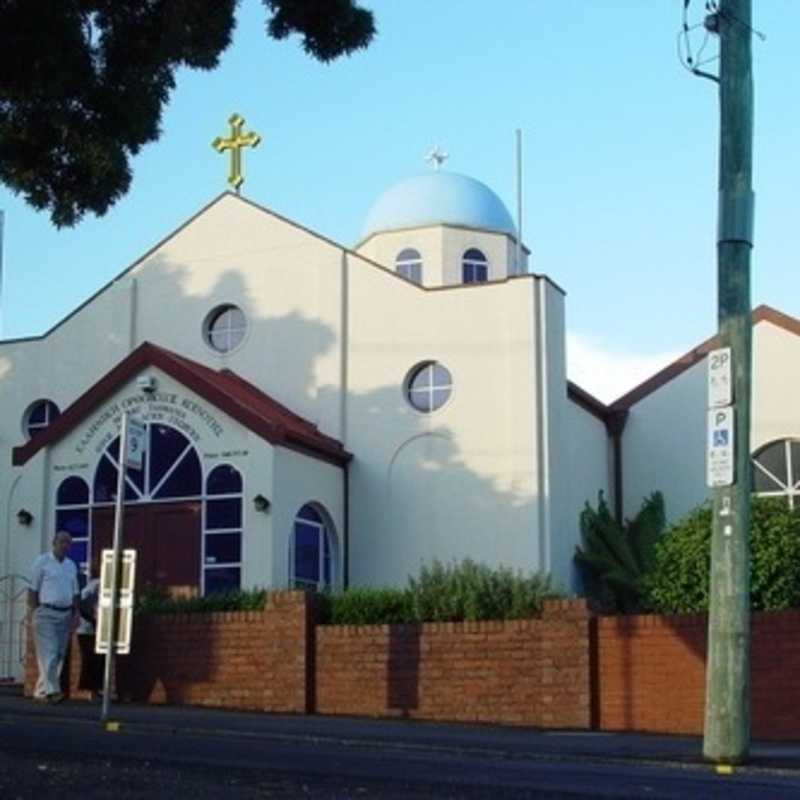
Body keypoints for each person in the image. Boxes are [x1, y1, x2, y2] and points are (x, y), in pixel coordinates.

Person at [28, 531, 80, 703]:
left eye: (68, 543)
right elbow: (33, 589)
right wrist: (35, 612)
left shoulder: (71, 565)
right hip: (45, 613)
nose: (65, 545)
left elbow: (75, 592)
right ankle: (53, 691)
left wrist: (76, 613)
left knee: (58, 654)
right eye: (62, 542)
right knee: (49, 653)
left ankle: (42, 691)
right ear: (54, 542)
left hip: (65, 613)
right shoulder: (42, 562)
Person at [76, 561, 103, 699]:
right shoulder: (96, 585)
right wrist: (94, 621)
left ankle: (94, 689)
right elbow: (84, 606)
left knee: (93, 659)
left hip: (86, 628)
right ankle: (93, 690)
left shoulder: (90, 585)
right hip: (88, 628)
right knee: (93, 659)